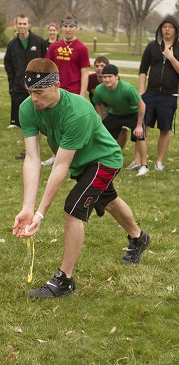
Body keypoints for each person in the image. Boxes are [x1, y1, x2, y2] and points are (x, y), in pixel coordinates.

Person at [13, 58, 151, 298]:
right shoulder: (27, 108)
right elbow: (33, 159)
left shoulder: (77, 111)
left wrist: (40, 213)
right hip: (82, 165)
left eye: (39, 92)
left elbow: (60, 165)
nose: (34, 99)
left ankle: (64, 280)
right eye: (30, 92)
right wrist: (27, 208)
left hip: (104, 159)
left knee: (73, 209)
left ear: (56, 85)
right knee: (108, 201)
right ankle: (139, 237)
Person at [128, 15, 179, 172]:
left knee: (165, 129)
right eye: (164, 27)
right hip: (150, 94)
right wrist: (142, 90)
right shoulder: (152, 46)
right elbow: (143, 69)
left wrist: (171, 58)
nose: (167, 29)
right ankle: (137, 160)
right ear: (160, 29)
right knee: (143, 127)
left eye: (170, 27)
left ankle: (159, 162)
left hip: (169, 95)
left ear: (176, 30)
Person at [42, 13, 90, 166]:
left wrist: (82, 94)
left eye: (71, 26)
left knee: (71, 124)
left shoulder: (81, 48)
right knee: (54, 124)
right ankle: (55, 155)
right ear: (61, 28)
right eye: (66, 26)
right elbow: (47, 68)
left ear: (76, 28)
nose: (68, 29)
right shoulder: (55, 47)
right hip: (56, 91)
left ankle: (73, 157)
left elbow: (84, 73)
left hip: (73, 92)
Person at [93, 64, 148, 176]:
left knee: (140, 136)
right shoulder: (99, 90)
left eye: (110, 76)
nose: (107, 79)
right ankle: (105, 161)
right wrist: (100, 120)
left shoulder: (127, 89)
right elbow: (97, 104)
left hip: (132, 113)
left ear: (117, 76)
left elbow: (142, 105)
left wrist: (138, 126)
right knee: (102, 135)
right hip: (115, 114)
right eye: (104, 77)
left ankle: (144, 166)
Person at [4, 14, 47, 159]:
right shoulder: (12, 45)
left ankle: (37, 149)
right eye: (19, 23)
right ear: (16, 25)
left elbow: (46, 63)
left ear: (29, 25)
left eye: (24, 23)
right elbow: (8, 66)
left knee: (38, 119)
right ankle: (28, 150)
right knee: (24, 121)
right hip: (19, 88)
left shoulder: (39, 42)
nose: (22, 26)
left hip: (36, 88)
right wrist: (12, 85)